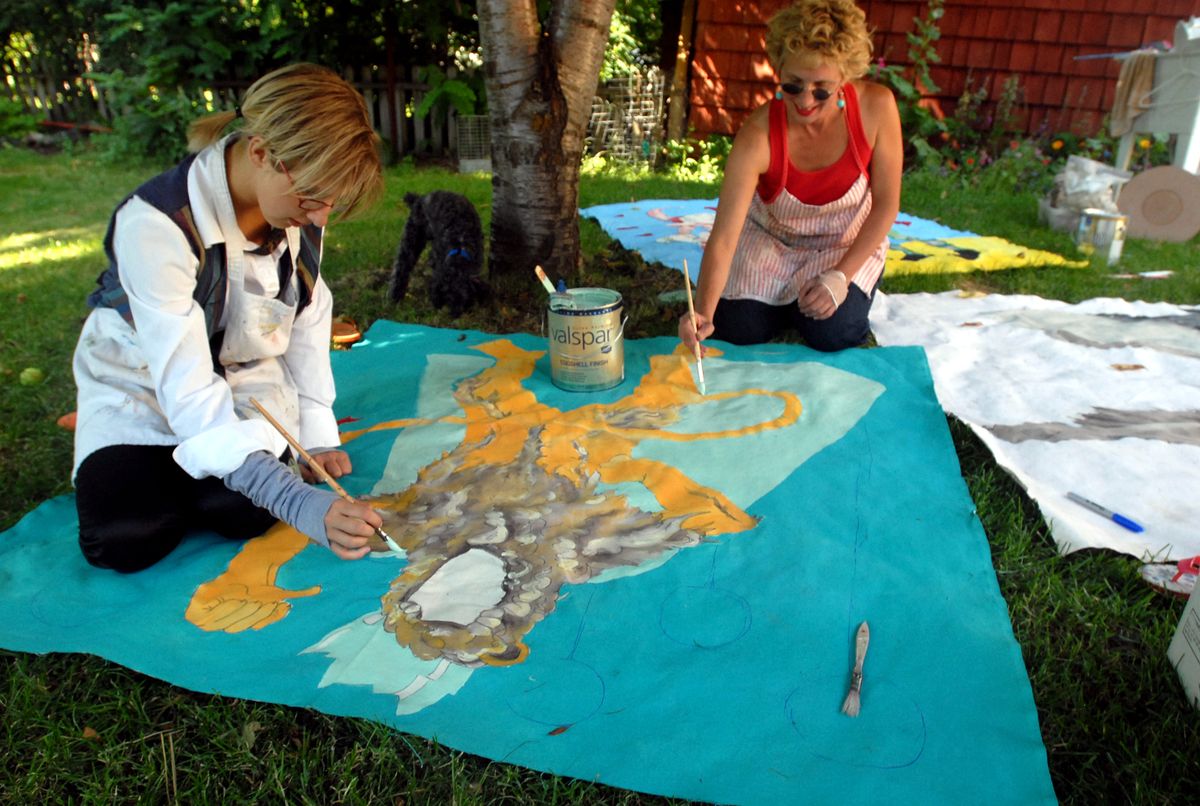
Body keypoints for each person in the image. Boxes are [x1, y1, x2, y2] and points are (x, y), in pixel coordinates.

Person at [72, 63, 385, 572]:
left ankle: (207, 464)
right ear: (261, 152)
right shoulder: (154, 226)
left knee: (240, 512)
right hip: (145, 383)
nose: (321, 217)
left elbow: (306, 312)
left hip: (242, 378)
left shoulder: (297, 208)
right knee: (126, 539)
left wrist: (315, 432)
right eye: (313, 198)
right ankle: (166, 457)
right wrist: (299, 504)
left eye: (331, 202)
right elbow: (188, 387)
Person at [679, 0, 901, 353]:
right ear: (779, 68)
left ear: (845, 76)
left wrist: (841, 276)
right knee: (735, 328)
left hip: (843, 244)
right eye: (793, 85)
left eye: (822, 89)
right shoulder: (758, 134)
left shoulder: (877, 108)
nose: (806, 100)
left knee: (835, 331)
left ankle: (801, 304)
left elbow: (887, 205)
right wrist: (703, 313)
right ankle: (786, 305)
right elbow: (723, 237)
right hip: (772, 242)